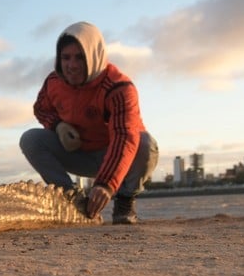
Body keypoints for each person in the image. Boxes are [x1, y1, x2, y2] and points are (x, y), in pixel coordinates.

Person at [19, 21, 159, 224]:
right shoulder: (54, 81)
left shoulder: (119, 87)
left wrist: (105, 184)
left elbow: (124, 136)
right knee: (31, 139)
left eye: (80, 58)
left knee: (145, 143)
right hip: (79, 154)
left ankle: (125, 202)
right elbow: (41, 108)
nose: (71, 65)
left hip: (116, 156)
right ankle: (72, 201)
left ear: (94, 56)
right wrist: (57, 125)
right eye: (65, 58)